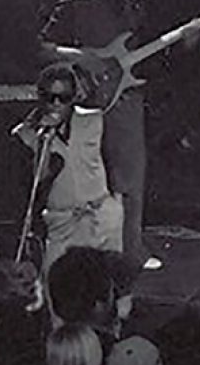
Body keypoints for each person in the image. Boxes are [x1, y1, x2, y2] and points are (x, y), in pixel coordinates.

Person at [39, 0, 193, 270]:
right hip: (88, 102)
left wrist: (183, 41)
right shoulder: (74, 4)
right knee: (90, 180)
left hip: (127, 97)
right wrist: (85, 57)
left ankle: (131, 249)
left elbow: (150, 46)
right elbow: (43, 49)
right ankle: (92, 251)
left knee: (131, 177)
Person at [14, 63, 124, 276]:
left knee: (108, 284)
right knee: (56, 284)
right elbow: (35, 183)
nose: (56, 104)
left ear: (73, 97)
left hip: (101, 216)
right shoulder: (25, 135)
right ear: (40, 96)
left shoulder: (94, 119)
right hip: (63, 222)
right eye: (49, 97)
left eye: (63, 97)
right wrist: (42, 140)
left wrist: (116, 207)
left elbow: (114, 163)